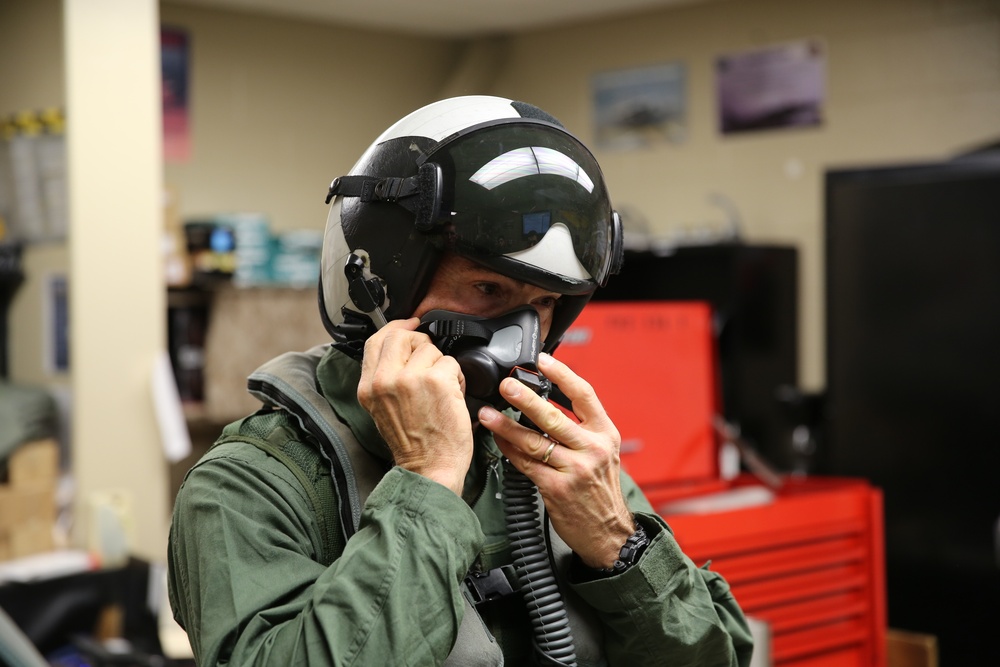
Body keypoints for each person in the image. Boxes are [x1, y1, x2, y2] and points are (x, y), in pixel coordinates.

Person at [168, 95, 754, 666]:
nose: (520, 333)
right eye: (487, 290)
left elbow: (715, 655)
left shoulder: (551, 459)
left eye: (544, 302)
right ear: (381, 284)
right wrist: (427, 480)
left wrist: (620, 548)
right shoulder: (247, 487)